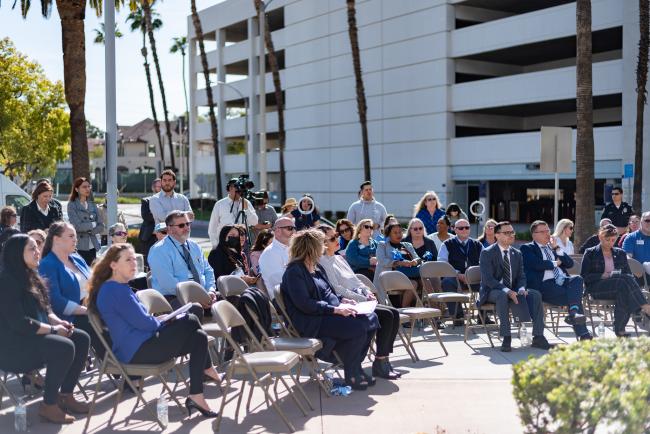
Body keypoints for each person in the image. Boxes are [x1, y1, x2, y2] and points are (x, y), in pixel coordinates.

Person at [89, 244, 219, 418]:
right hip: (136, 351)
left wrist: (161, 320)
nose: (134, 263)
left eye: (134, 259)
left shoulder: (118, 287)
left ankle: (196, 395)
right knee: (191, 319)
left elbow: (140, 321)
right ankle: (208, 368)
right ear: (113, 265)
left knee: (199, 337)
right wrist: (164, 320)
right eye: (128, 259)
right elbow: (145, 324)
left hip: (143, 343)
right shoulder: (113, 289)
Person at [0, 235, 90, 424]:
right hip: (14, 348)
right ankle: (49, 405)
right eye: (31, 249)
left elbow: (47, 310)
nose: (37, 252)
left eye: (37, 247)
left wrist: (59, 323)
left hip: (35, 338)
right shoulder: (7, 282)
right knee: (64, 346)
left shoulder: (33, 276)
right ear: (17, 254)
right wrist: (54, 330)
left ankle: (66, 395)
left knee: (80, 338)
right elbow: (20, 323)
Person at [280, 229, 378, 390]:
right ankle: (350, 370)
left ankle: (354, 367)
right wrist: (335, 309)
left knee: (371, 318)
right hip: (312, 321)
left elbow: (329, 292)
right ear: (311, 248)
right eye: (321, 245)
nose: (324, 248)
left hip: (328, 313)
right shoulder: (294, 272)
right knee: (358, 327)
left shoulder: (316, 268)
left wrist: (342, 300)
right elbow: (305, 304)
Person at [318, 225, 401, 380]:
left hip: (360, 299)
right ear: (322, 243)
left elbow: (356, 281)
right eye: (332, 238)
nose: (337, 240)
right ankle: (379, 363)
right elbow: (337, 289)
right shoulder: (323, 262)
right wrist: (363, 299)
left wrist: (367, 292)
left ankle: (382, 360)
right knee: (387, 316)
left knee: (393, 313)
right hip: (347, 303)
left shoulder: (338, 258)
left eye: (336, 235)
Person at [477, 221, 552, 352]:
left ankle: (538, 336)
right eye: (507, 233)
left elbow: (521, 276)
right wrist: (507, 291)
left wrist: (522, 289)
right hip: (492, 291)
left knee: (535, 294)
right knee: (502, 295)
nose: (511, 235)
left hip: (513, 290)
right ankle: (506, 337)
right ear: (497, 235)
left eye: (512, 232)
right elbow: (488, 279)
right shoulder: (487, 253)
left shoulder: (516, 253)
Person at [38, 222, 104, 361]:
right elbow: (56, 302)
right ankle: (117, 362)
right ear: (56, 239)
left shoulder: (77, 258)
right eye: (71, 236)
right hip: (69, 317)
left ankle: (123, 359)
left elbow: (94, 282)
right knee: (100, 321)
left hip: (91, 305)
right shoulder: (47, 264)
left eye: (75, 236)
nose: (76, 239)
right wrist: (88, 310)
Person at [521, 221, 591, 340]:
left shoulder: (553, 247)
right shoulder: (527, 248)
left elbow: (569, 264)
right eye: (542, 231)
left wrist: (557, 248)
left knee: (577, 279)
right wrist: (554, 264)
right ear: (534, 235)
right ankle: (583, 333)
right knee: (575, 298)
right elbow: (536, 264)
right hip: (544, 285)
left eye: (548, 230)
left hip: (562, 281)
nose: (547, 233)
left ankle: (574, 313)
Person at [581, 224, 650, 336]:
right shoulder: (590, 252)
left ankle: (620, 329)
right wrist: (602, 275)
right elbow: (584, 276)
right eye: (607, 240)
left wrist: (616, 276)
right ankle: (644, 307)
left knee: (624, 289)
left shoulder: (620, 253)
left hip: (618, 286)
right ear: (600, 238)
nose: (610, 242)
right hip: (597, 287)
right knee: (624, 281)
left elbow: (628, 274)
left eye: (613, 240)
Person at [148, 211, 216, 308]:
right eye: (181, 225)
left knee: (233, 300)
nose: (186, 227)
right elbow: (168, 283)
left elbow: (208, 270)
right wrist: (195, 297)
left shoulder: (194, 246)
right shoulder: (158, 250)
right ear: (170, 229)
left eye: (188, 223)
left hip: (203, 293)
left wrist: (210, 290)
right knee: (195, 309)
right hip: (173, 297)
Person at [437, 218, 483, 321]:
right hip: (455, 278)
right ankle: (458, 316)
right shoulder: (446, 244)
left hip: (473, 278)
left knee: (488, 281)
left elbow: (485, 263)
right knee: (447, 282)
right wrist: (458, 274)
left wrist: (472, 275)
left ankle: (483, 315)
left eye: (467, 227)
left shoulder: (477, 244)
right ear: (455, 230)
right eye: (461, 228)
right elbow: (443, 264)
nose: (464, 230)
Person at [375, 221, 422, 308]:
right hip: (390, 278)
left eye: (400, 232)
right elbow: (382, 261)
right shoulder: (382, 245)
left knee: (426, 280)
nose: (399, 234)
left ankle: (433, 309)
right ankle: (404, 311)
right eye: (395, 232)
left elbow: (418, 258)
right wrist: (399, 263)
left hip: (410, 274)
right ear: (389, 234)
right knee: (413, 284)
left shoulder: (407, 245)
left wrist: (414, 261)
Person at [208, 178, 258, 248]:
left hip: (242, 244)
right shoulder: (220, 204)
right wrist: (215, 245)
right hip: (224, 244)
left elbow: (254, 222)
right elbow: (212, 228)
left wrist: (247, 209)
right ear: (229, 189)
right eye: (234, 187)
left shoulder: (246, 202)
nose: (238, 191)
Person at [67, 177, 104, 266]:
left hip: (93, 246)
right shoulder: (72, 205)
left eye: (88, 186)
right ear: (76, 189)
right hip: (79, 246)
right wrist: (93, 224)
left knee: (92, 274)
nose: (87, 189)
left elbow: (101, 226)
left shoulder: (92, 205)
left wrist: (90, 230)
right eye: (84, 187)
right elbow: (76, 226)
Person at [258, 217, 295, 298]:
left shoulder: (290, 249)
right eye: (290, 228)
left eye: (294, 228)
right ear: (277, 231)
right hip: (284, 302)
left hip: (294, 296)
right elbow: (280, 282)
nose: (294, 232)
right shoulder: (269, 253)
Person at [139, 178, 162, 264]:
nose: (161, 188)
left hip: (163, 236)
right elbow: (146, 216)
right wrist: (161, 215)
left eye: (162, 186)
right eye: (158, 186)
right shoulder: (146, 201)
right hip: (149, 237)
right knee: (148, 263)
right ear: (153, 188)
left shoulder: (167, 202)